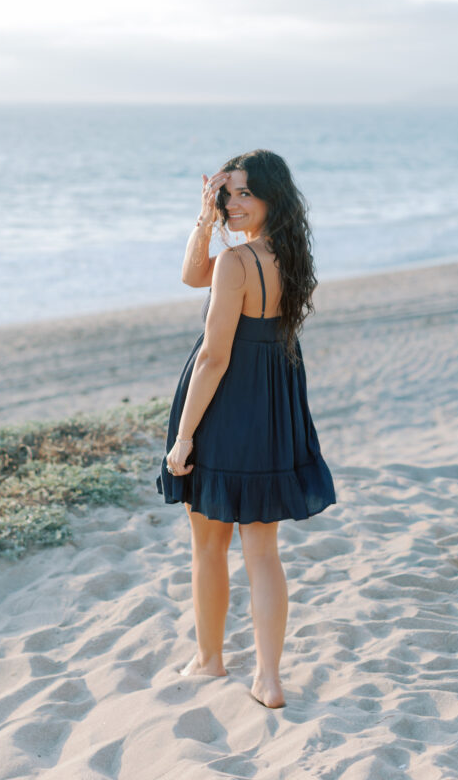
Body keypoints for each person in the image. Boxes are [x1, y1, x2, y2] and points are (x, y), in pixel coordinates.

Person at [156, 149, 337, 709]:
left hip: (225, 404)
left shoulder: (238, 264)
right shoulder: (287, 255)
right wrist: (205, 220)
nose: (233, 203)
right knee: (262, 549)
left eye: (243, 194)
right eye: (225, 193)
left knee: (208, 543)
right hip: (274, 403)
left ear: (269, 197)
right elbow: (192, 275)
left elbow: (213, 357)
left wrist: (185, 436)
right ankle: (268, 678)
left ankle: (211, 659)